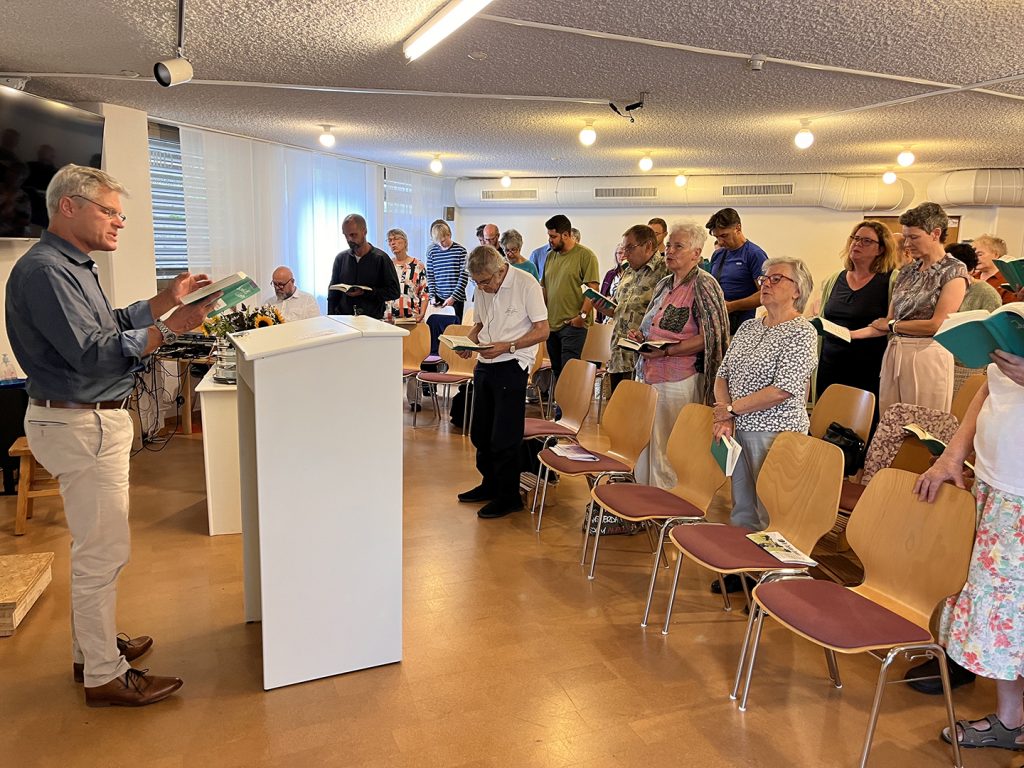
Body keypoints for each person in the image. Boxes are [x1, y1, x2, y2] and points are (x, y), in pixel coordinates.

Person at [5, 164, 220, 706]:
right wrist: (176, 327)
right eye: (111, 211)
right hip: (81, 420)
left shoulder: (73, 266)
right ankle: (102, 672)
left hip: (85, 417)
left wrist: (166, 298)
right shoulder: (49, 272)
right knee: (103, 552)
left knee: (96, 546)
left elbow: (114, 322)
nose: (120, 223)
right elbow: (96, 351)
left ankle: (90, 648)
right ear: (69, 206)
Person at [911, 348, 1024, 751]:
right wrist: (952, 454)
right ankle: (1011, 722)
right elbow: (989, 389)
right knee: (998, 610)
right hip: (997, 486)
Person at [713, 257, 818, 537]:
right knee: (742, 505)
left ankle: (769, 573)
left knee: (770, 508)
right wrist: (726, 414)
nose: (766, 284)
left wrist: (731, 410)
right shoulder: (749, 327)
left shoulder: (802, 332)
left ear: (797, 290)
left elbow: (782, 389)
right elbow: (722, 374)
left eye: (776, 278)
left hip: (775, 431)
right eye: (764, 278)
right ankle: (742, 569)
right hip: (739, 427)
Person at [633, 220, 729, 489]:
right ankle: (645, 495)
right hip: (651, 373)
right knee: (649, 438)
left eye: (678, 246)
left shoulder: (704, 284)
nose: (669, 251)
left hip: (680, 378)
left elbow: (711, 336)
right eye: (668, 245)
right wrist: (641, 338)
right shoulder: (665, 283)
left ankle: (668, 501)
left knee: (671, 444)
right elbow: (651, 324)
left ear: (697, 253)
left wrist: (668, 352)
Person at [455, 246, 549, 519]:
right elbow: (480, 324)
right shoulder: (482, 287)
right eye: (476, 282)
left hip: (513, 363)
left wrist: (508, 346)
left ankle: (509, 497)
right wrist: (468, 342)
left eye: (485, 281)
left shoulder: (526, 284)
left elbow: (543, 330)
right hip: (486, 361)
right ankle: (490, 485)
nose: (481, 286)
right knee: (481, 432)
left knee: (504, 436)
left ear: (500, 270)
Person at [849, 202, 968, 414]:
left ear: (935, 234)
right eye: (906, 238)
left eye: (913, 237)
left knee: (922, 423)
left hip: (927, 354)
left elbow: (936, 325)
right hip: (896, 351)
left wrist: (894, 325)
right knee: (891, 421)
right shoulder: (908, 271)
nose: (907, 244)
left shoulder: (954, 270)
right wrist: (847, 334)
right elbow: (887, 322)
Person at [814, 220, 900, 407]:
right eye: (855, 238)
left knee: (860, 428)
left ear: (881, 249)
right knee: (826, 422)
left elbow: (890, 325)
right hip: (830, 363)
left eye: (866, 241)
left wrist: (849, 334)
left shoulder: (892, 280)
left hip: (867, 367)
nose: (857, 244)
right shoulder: (834, 279)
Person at [605, 224, 668, 392]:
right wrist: (605, 308)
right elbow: (619, 309)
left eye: (630, 248)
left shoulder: (665, 272)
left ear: (648, 246)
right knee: (618, 410)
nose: (624, 254)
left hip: (643, 357)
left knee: (639, 412)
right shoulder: (628, 271)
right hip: (619, 354)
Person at [540, 214, 600, 385]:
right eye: (549, 236)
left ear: (566, 235)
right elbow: (544, 287)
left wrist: (581, 316)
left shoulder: (586, 256)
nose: (550, 240)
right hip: (552, 324)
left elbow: (592, 289)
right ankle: (561, 408)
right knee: (558, 371)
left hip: (573, 325)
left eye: (553, 236)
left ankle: (567, 410)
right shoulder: (551, 256)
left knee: (569, 372)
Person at [705, 208, 769, 334]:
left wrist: (732, 306)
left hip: (741, 326)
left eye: (724, 235)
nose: (721, 242)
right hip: (716, 324)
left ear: (738, 228)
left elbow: (765, 293)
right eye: (717, 237)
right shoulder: (718, 255)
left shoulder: (755, 254)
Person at [326, 213, 401, 319]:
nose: (349, 239)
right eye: (345, 235)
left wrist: (366, 292)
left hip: (372, 321)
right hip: (344, 320)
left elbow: (394, 292)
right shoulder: (341, 258)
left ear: (364, 232)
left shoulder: (381, 258)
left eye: (353, 235)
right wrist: (332, 318)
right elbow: (333, 292)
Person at [424, 220, 469, 353]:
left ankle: (453, 359)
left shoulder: (461, 251)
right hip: (438, 299)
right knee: (435, 332)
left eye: (443, 241)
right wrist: (432, 296)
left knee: (453, 333)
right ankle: (434, 356)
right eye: (438, 242)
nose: (441, 245)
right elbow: (430, 275)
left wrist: (453, 298)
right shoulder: (432, 251)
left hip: (456, 299)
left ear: (449, 234)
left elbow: (463, 276)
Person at [383, 227, 429, 323]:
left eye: (396, 239)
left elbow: (424, 293)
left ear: (405, 242)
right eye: (390, 240)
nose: (392, 243)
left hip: (411, 318)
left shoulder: (417, 265)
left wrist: (422, 314)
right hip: (389, 320)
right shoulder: (387, 265)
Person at [971, 234, 1018, 304]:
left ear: (996, 255)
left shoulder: (1008, 281)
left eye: (980, 254)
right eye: (973, 255)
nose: (975, 258)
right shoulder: (971, 278)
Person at [597, 240, 626, 322]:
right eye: (619, 253)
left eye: (625, 253)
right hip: (607, 316)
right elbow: (603, 294)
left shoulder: (634, 274)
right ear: (615, 255)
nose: (622, 256)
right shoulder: (610, 274)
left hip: (622, 316)